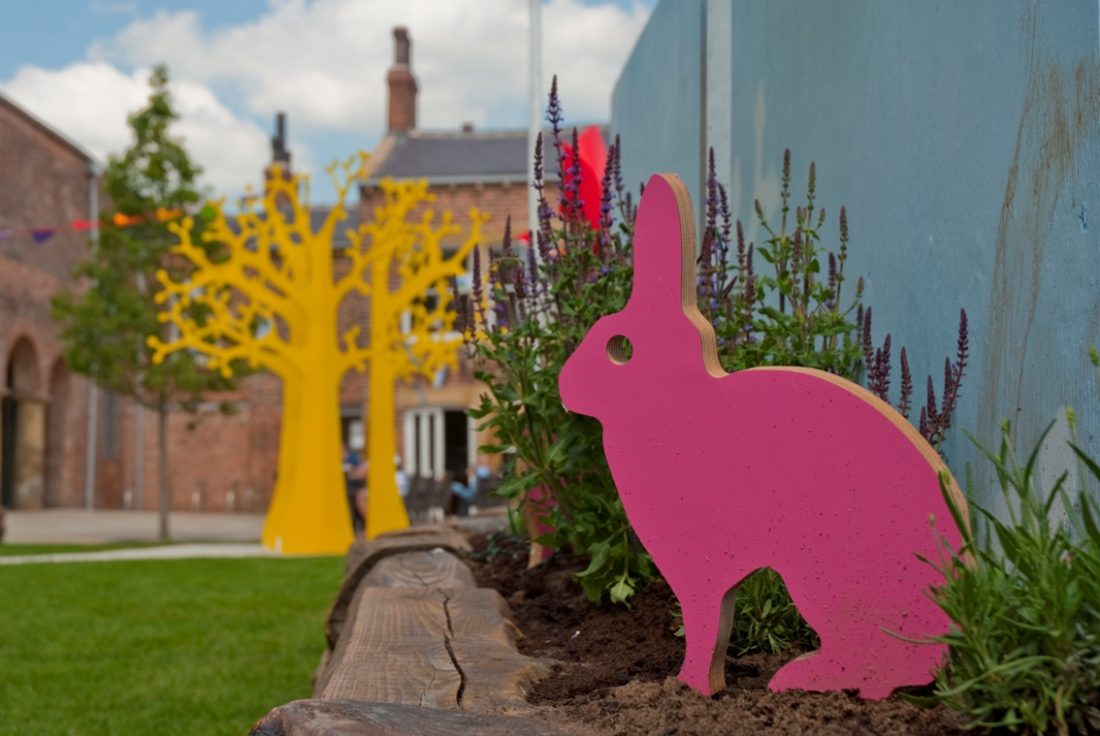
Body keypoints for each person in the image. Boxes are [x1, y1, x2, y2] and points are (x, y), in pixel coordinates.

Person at [342, 442, 367, 533]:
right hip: (349, 488)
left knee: (359, 497)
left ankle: (368, 523)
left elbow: (359, 472)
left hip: (355, 488)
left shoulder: (352, 459)